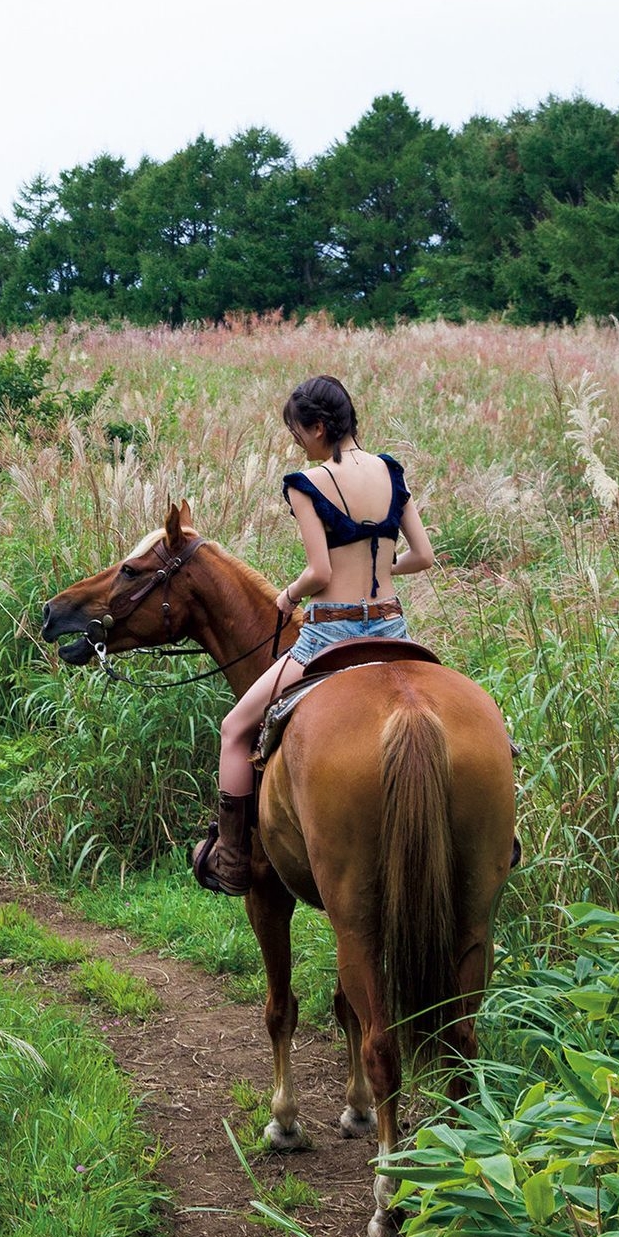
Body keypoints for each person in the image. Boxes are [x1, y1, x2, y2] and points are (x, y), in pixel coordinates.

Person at [192, 374, 435, 896]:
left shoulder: (307, 483)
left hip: (331, 637)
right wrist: (381, 563)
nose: (297, 443)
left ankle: (233, 859)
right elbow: (425, 556)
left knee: (235, 729)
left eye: (298, 432)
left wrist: (289, 594)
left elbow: (320, 572)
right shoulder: (391, 471)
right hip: (393, 626)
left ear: (319, 427)